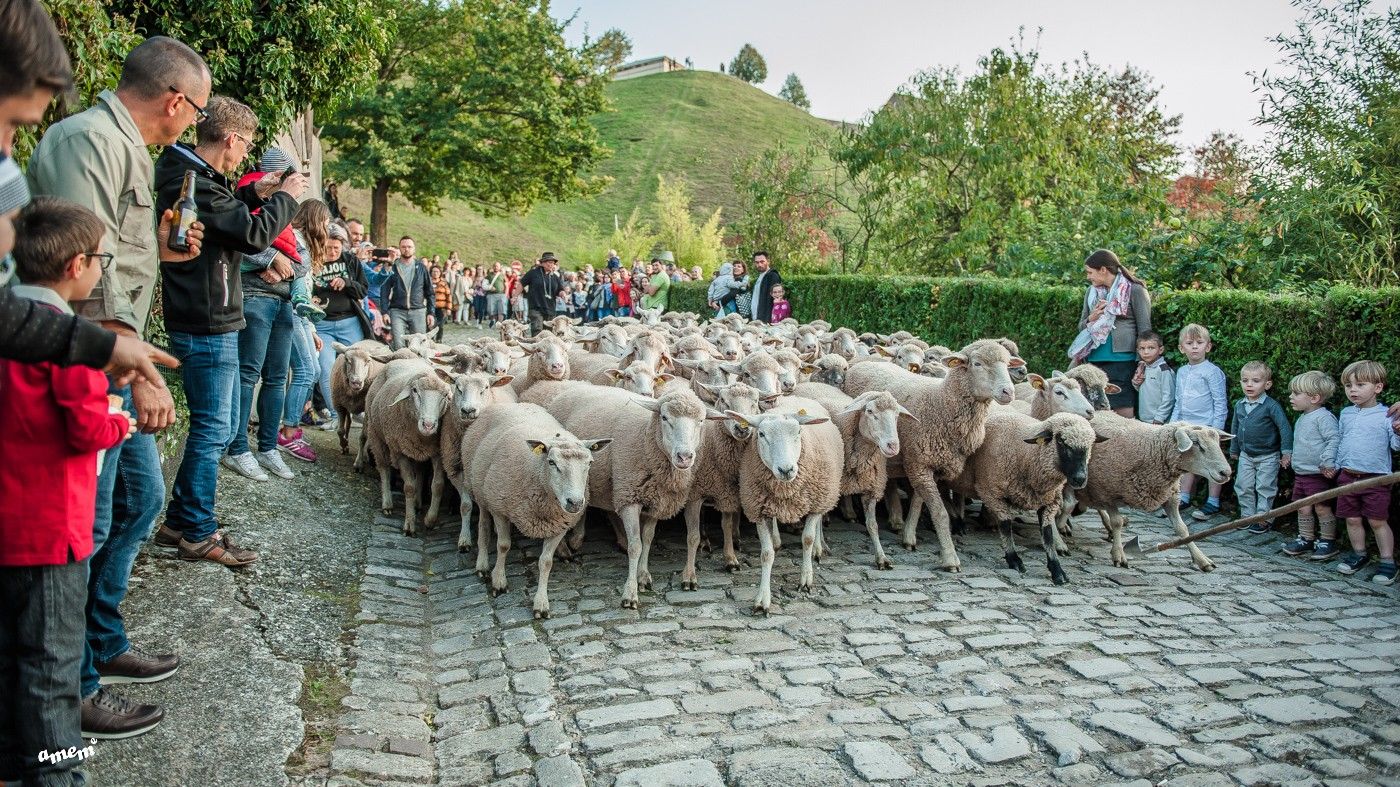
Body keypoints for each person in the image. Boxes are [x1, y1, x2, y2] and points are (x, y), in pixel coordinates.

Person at [24, 32, 216, 739]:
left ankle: (100, 639)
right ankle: (70, 689)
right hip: (91, 362)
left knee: (139, 499)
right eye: (195, 111)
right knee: (88, 525)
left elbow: (111, 253)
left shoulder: (126, 148)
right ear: (174, 100)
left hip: (115, 352)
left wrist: (164, 248)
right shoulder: (89, 142)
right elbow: (73, 268)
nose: (192, 123)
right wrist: (129, 367)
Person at [1, 197, 136, 785]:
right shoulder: (69, 340)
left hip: (6, 523)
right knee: (53, 674)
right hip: (52, 530)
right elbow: (85, 429)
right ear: (77, 264)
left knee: (9, 664)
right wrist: (120, 422)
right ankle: (61, 774)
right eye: (102, 258)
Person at [155, 95, 304, 567]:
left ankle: (181, 521)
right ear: (232, 138)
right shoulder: (190, 177)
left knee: (211, 426)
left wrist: (258, 195)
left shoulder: (195, 175)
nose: (246, 158)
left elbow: (227, 215)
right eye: (246, 147)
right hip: (206, 318)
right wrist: (286, 199)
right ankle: (197, 530)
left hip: (208, 312)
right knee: (213, 429)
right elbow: (251, 235)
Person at [221, 150, 314, 482]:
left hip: (284, 301)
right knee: (248, 375)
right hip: (254, 296)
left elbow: (303, 261)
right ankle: (236, 449)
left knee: (277, 377)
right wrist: (270, 257)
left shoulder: (285, 214)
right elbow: (240, 239)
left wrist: (285, 270)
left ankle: (267, 447)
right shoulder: (245, 199)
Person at [1333, 360, 1400, 583]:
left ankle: (1388, 561)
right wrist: (1336, 464)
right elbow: (1342, 441)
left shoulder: (1387, 415)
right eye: (1348, 385)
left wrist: (1399, 432)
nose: (1353, 390)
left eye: (1360, 385)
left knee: (1377, 520)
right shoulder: (1346, 414)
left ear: (1378, 387)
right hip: (1348, 475)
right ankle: (1359, 554)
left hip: (1376, 478)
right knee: (1352, 519)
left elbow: (1396, 446)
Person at [1070, 249, 1151, 418]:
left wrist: (1141, 362)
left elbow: (1145, 330)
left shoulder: (1135, 290)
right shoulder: (1091, 293)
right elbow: (1081, 326)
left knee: (1123, 411)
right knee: (1093, 412)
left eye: (1090, 272)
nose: (1088, 277)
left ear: (1103, 270)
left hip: (1122, 360)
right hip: (1092, 360)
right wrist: (1091, 319)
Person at [311, 222, 368, 432]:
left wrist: (347, 283)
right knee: (326, 369)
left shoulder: (350, 261)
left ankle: (360, 411)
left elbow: (363, 290)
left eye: (336, 248)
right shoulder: (313, 262)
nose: (332, 252)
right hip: (322, 325)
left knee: (360, 368)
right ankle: (336, 415)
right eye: (328, 248)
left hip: (349, 322)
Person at [1168, 324, 1228, 518]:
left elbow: (1220, 402)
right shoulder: (1182, 372)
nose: (1195, 347)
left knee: (1212, 462)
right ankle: (1183, 497)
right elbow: (1179, 401)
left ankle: (1213, 501)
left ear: (1208, 347)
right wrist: (1173, 424)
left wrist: (1216, 430)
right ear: (1181, 348)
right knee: (1188, 461)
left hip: (1207, 426)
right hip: (1187, 425)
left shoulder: (1212, 372)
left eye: (1199, 343)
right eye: (1189, 343)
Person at [1227, 361, 1293, 535]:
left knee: (1265, 486)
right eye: (1245, 380)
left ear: (1267, 384)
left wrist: (1286, 452)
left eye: (1255, 381)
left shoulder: (1271, 406)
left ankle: (1263, 518)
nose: (1249, 385)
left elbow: (1284, 428)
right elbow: (1235, 427)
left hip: (1268, 455)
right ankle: (1247, 515)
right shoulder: (1239, 405)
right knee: (1243, 485)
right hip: (1246, 455)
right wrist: (1234, 449)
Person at [1281, 371, 1341, 559]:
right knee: (1302, 506)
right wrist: (1289, 455)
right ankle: (1305, 538)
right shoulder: (1302, 418)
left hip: (1318, 473)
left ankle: (1327, 541)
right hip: (1301, 474)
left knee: (1322, 507)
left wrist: (1328, 461)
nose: (1291, 397)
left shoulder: (1324, 417)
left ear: (1314, 398)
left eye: (1296, 393)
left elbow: (1334, 439)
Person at [381, 235, 433, 349]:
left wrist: (431, 312)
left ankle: (420, 366)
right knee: (399, 344)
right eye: (403, 247)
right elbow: (384, 290)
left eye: (409, 247)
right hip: (397, 311)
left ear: (414, 249)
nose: (406, 249)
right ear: (400, 248)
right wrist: (384, 311)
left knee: (420, 345)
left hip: (418, 310)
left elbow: (429, 292)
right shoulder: (393, 267)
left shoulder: (421, 267)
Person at [1130, 331, 1174, 425]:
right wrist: (1136, 383)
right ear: (1138, 350)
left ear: (1161, 350)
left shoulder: (1163, 370)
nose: (1146, 352)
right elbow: (1145, 390)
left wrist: (1159, 418)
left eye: (1151, 348)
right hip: (1144, 418)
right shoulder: (1142, 367)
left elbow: (1169, 397)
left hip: (1159, 421)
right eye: (1142, 348)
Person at [521, 252, 562, 335]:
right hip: (536, 307)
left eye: (553, 263)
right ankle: (536, 347)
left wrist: (563, 293)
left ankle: (545, 347)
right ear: (543, 263)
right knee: (537, 330)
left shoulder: (555, 277)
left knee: (549, 333)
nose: (552, 264)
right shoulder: (533, 273)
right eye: (549, 262)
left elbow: (560, 290)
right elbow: (521, 284)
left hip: (550, 309)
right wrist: (514, 297)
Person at [749, 251, 783, 323]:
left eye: (762, 262)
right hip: (756, 317)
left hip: (765, 319)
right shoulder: (761, 276)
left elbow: (774, 299)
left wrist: (768, 320)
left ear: (768, 261)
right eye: (757, 262)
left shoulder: (773, 276)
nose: (759, 264)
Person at [485, 261, 507, 327]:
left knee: (501, 309)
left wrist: (506, 294)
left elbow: (506, 284)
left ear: (500, 267)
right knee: (491, 309)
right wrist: (489, 287)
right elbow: (484, 284)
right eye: (494, 266)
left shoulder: (502, 275)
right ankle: (493, 320)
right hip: (491, 294)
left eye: (497, 266)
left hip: (501, 294)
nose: (496, 267)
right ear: (493, 267)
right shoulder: (489, 276)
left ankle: (500, 323)